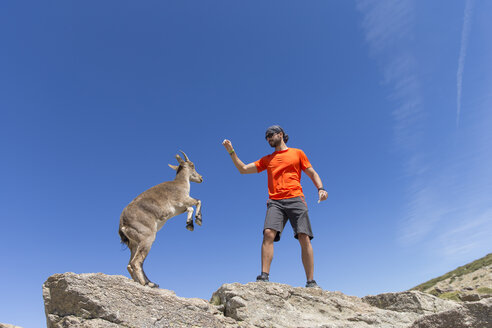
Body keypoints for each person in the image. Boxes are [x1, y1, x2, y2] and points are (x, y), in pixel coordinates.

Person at [222, 125, 328, 288]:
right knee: (268, 233)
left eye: (270, 135)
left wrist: (320, 189)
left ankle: (310, 281)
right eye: (266, 137)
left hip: (296, 199)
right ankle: (264, 276)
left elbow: (312, 173)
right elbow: (243, 169)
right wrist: (231, 151)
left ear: (280, 134)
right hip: (275, 202)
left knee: (303, 236)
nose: (268, 139)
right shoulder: (267, 159)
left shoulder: (297, 153)